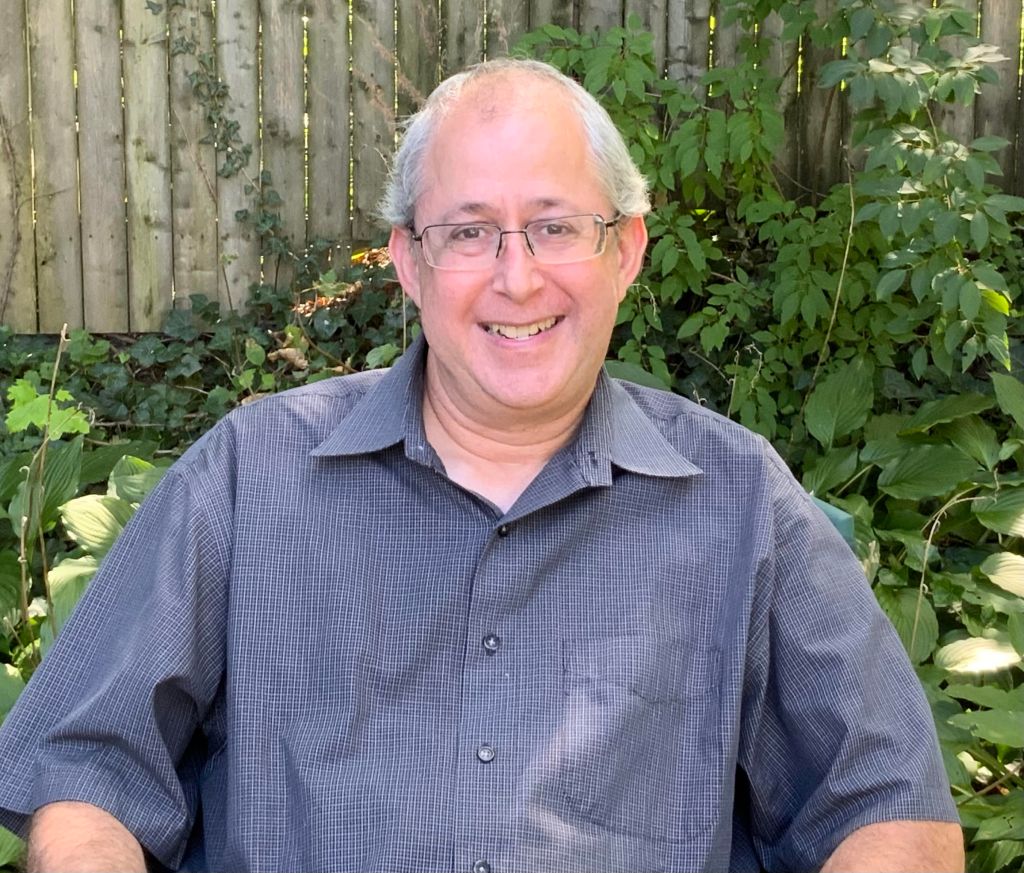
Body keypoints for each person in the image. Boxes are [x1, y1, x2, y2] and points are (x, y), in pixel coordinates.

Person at [0, 58, 963, 873]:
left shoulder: (743, 502)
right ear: (409, 263)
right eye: (467, 232)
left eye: (554, 225)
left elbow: (891, 812)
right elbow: (86, 773)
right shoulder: (251, 477)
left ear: (625, 249)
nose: (517, 275)